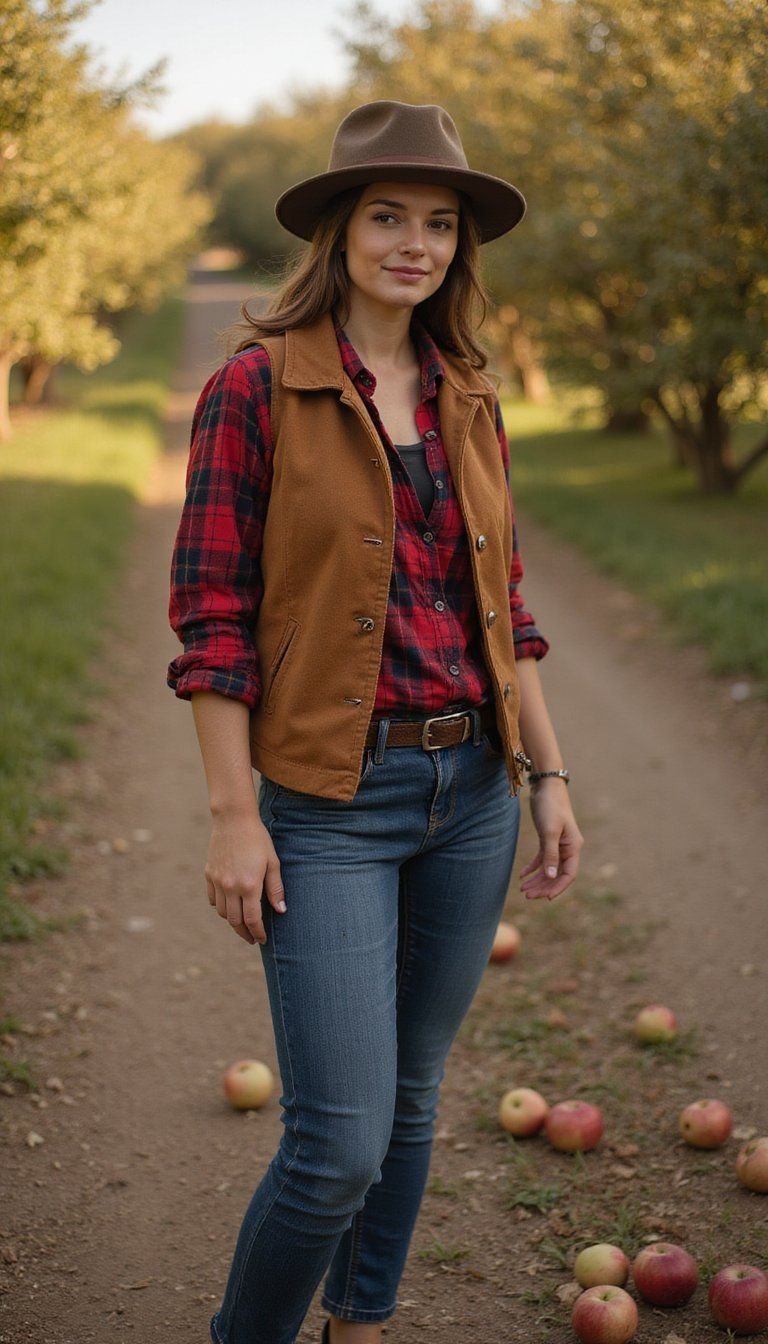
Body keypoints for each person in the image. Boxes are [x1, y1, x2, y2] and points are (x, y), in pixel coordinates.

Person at [168, 100, 583, 1344]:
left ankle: (366, 1323)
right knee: (336, 1144)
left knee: (408, 1104)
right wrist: (236, 817)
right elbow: (213, 623)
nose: (415, 243)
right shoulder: (255, 388)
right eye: (389, 217)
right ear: (341, 231)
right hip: (327, 808)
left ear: (460, 249)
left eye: (440, 224)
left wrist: (548, 779)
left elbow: (504, 608)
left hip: (470, 801)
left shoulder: (468, 392)